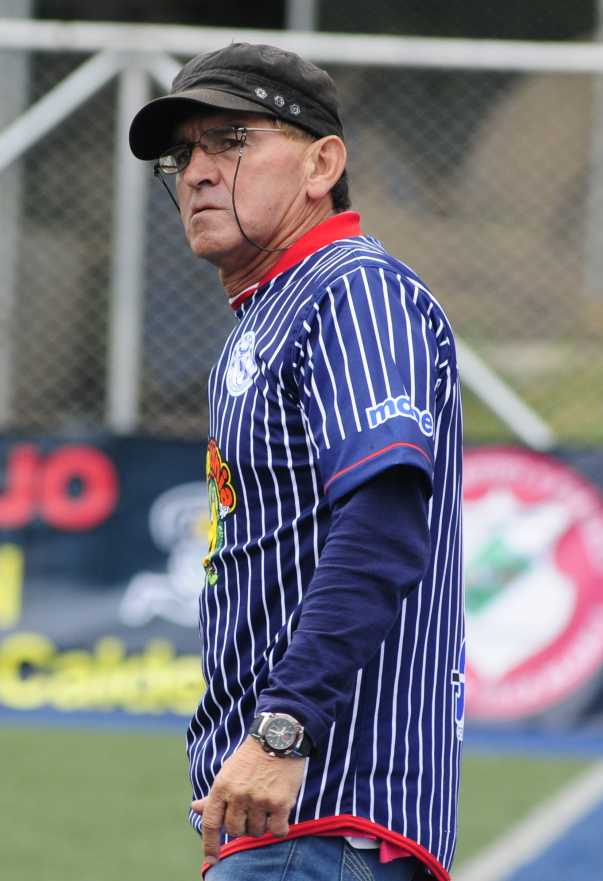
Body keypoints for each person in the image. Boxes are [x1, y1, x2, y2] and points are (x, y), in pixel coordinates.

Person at [129, 43, 464, 881]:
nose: (198, 171)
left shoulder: (351, 288)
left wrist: (283, 730)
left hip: (324, 810)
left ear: (322, 164)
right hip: (290, 821)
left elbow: (384, 522)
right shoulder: (271, 312)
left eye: (231, 139)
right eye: (184, 155)